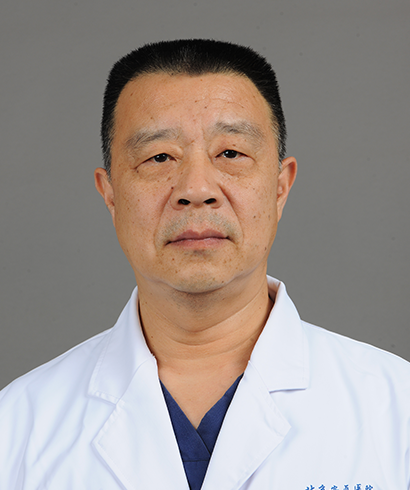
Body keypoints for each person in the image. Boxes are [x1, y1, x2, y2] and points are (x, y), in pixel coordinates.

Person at [0, 39, 409, 490]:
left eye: (230, 153)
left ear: (280, 187)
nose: (196, 189)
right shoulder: (17, 428)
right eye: (159, 157)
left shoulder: (396, 410)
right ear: (110, 194)